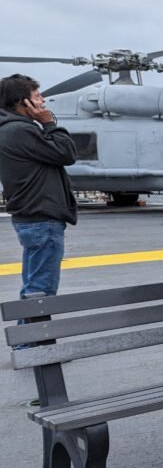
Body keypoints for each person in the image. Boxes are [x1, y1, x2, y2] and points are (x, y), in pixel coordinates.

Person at [0, 75, 77, 302]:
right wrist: (49, 123)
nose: (43, 101)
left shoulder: (9, 128)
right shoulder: (19, 130)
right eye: (37, 96)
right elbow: (66, 153)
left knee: (34, 288)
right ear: (22, 102)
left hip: (32, 218)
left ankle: (29, 327)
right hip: (42, 219)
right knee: (41, 293)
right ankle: (32, 327)